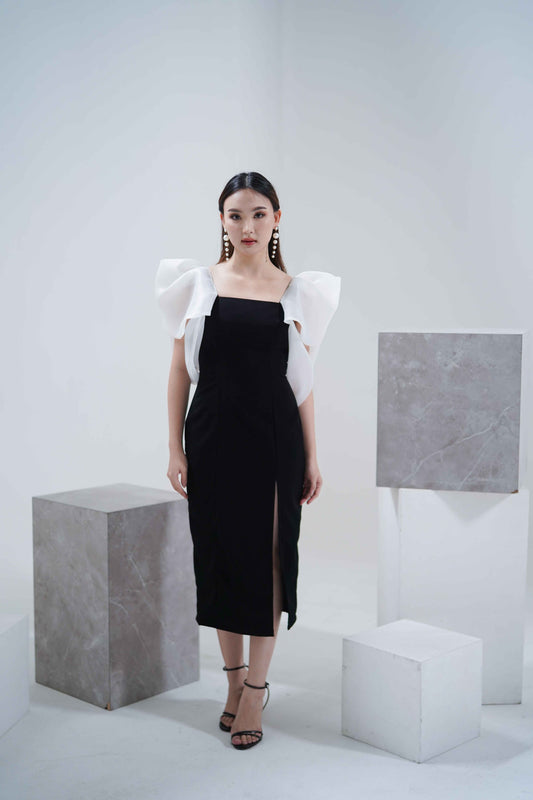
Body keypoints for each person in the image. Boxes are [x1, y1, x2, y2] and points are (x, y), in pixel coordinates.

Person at [155, 171, 341, 750]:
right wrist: (174, 447)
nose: (247, 226)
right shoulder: (198, 284)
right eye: (236, 215)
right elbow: (180, 371)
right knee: (221, 558)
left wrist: (313, 456)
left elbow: (302, 383)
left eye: (259, 214)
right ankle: (234, 682)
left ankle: (256, 691)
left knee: (269, 560)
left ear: (276, 219)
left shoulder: (297, 292)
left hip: (275, 439)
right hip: (212, 436)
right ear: (222, 221)